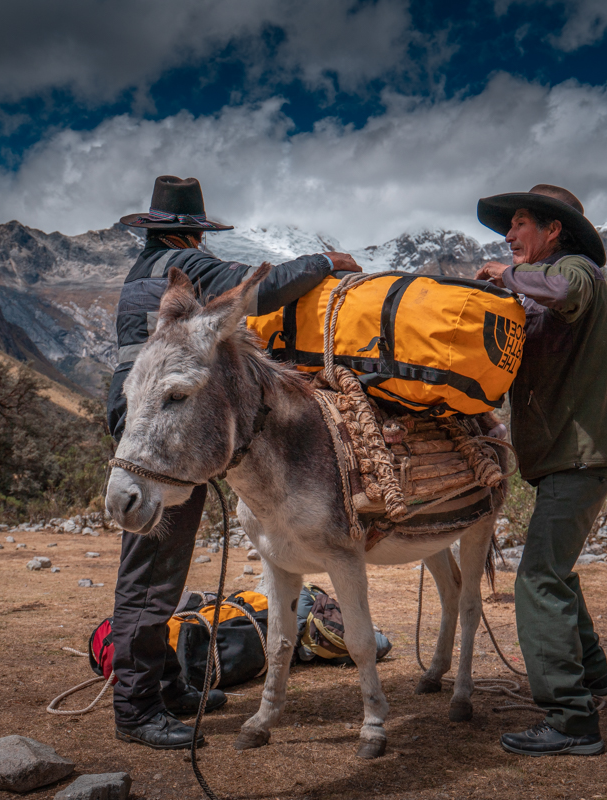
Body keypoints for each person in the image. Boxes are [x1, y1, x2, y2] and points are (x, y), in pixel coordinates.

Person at [107, 175, 361, 749]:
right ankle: (136, 708)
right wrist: (325, 259)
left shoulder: (138, 275)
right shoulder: (191, 271)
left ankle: (168, 684)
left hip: (142, 423)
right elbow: (260, 293)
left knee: (160, 571)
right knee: (150, 576)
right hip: (162, 434)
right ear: (193, 236)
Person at [474, 184, 607, 756]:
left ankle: (570, 719)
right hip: (570, 456)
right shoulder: (542, 288)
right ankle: (594, 679)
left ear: (552, 229)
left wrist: (503, 275)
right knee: (556, 571)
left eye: (517, 225)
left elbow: (563, 290)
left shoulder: (576, 270)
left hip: (579, 455)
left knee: (537, 579)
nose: (508, 237)